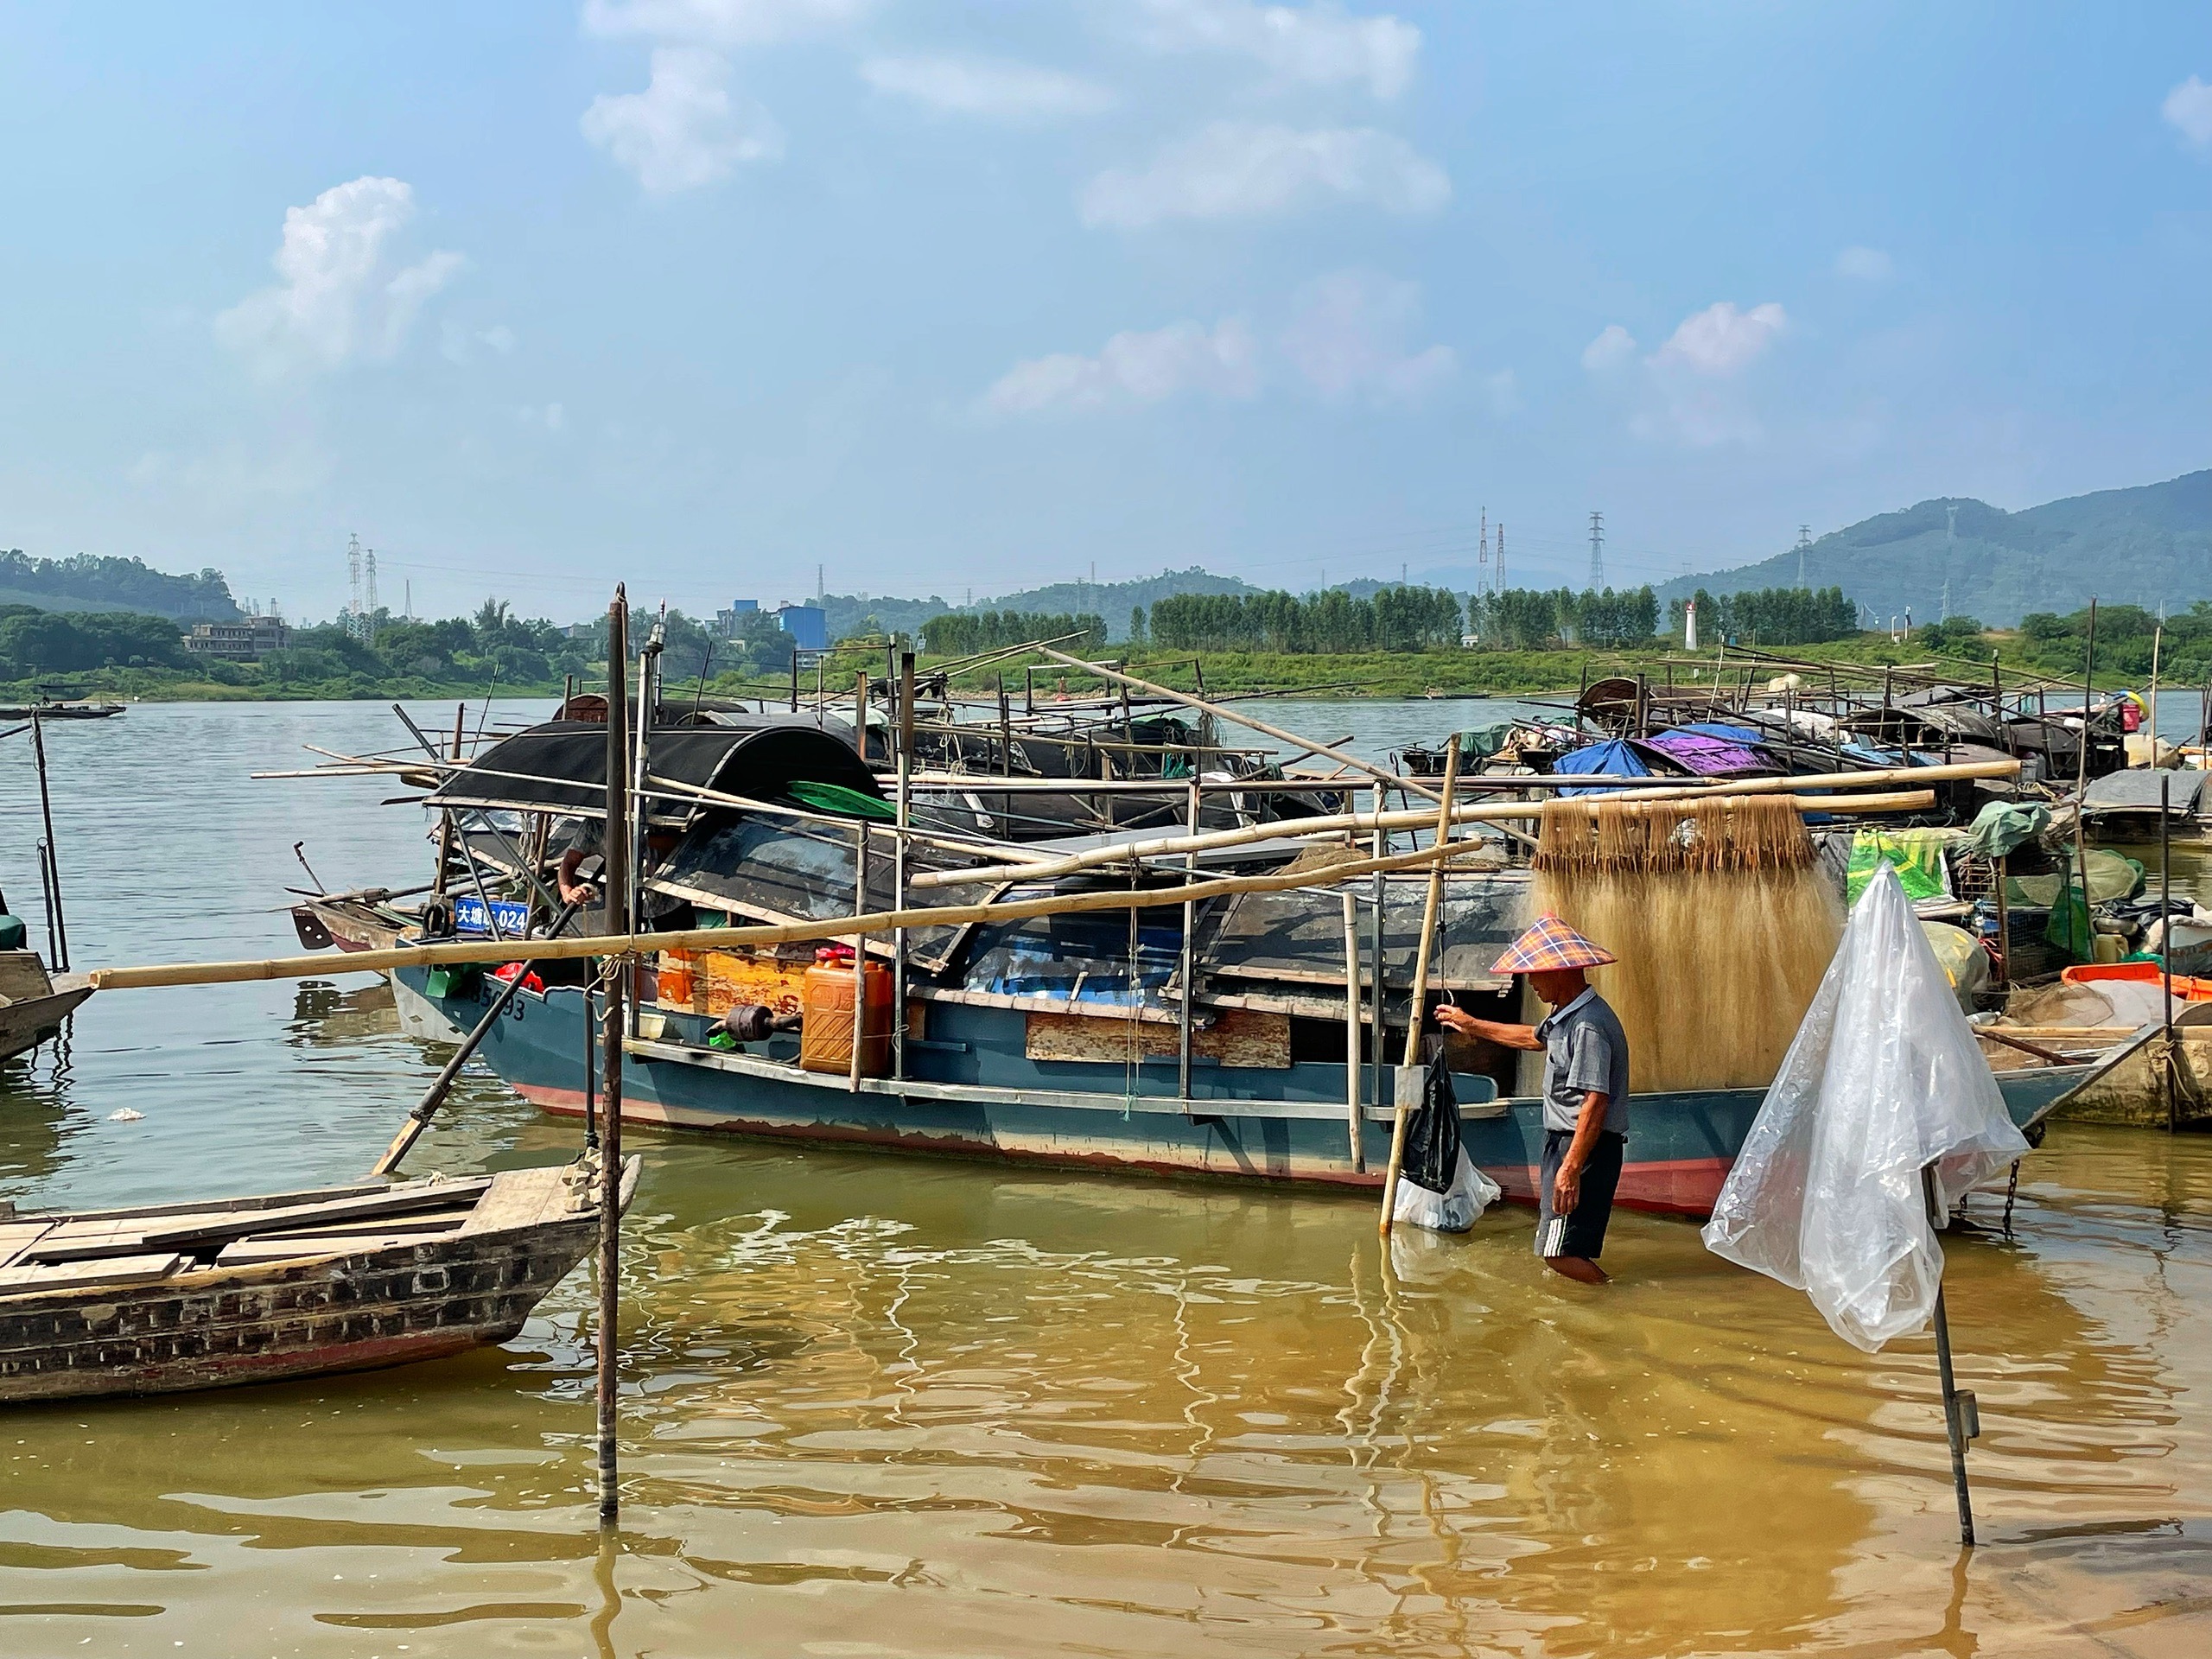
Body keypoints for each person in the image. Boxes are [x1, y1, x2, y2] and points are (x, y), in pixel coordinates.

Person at [1435, 914, 1629, 1284]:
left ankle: (1616, 1302)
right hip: (1569, 1144)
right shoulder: (1565, 1017)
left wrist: (1570, 1169)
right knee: (1565, 1246)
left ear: (1560, 971)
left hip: (1581, 1147)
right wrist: (1471, 1023)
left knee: (1558, 1254)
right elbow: (1532, 1039)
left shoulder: (1587, 1025)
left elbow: (1595, 1102)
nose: (1531, 984)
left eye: (1534, 974)